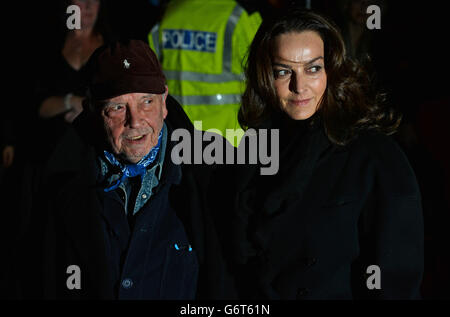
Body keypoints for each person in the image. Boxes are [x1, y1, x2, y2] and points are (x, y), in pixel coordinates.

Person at [207, 9, 424, 299]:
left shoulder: (375, 158)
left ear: (332, 71)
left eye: (313, 68)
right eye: (283, 71)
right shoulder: (253, 152)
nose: (299, 87)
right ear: (265, 77)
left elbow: (396, 282)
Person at [12, 40, 203, 299]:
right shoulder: (46, 179)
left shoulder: (210, 173)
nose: (135, 121)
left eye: (146, 102)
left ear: (164, 101)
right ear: (91, 110)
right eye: (117, 107)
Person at [149, 0, 262, 147]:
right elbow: (263, 77)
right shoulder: (239, 15)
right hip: (227, 139)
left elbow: (152, 70)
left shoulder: (169, 12)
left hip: (175, 135)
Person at [33, 0, 113, 163]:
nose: (89, 5)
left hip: (98, 154)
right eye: (82, 0)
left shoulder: (112, 46)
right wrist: (71, 101)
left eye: (94, 0)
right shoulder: (49, 44)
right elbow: (36, 106)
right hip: (51, 152)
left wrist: (88, 108)